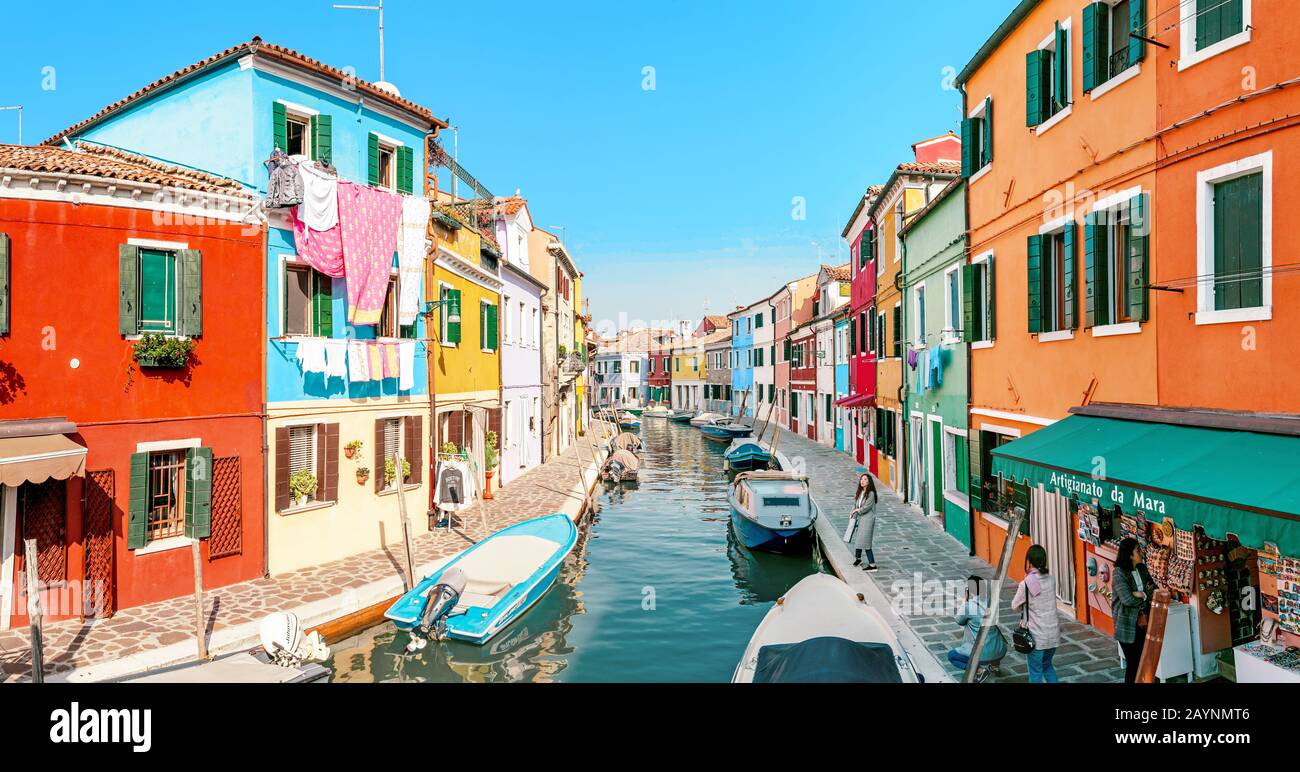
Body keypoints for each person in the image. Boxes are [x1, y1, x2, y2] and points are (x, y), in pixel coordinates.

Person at [1012, 545, 1061, 683]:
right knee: (1047, 666)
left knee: (1035, 673)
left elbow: (1014, 606)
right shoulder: (1051, 579)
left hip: (1036, 636)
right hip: (1053, 633)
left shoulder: (1025, 584)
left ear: (1029, 560)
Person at [1112, 537, 1155, 683]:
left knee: (1143, 662)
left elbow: (1153, 589)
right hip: (1126, 625)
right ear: (1130, 554)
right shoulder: (1119, 573)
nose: (1141, 553)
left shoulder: (1142, 569)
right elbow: (1127, 599)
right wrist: (1144, 596)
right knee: (1134, 664)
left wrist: (1140, 594)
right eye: (1138, 550)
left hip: (1143, 623)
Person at [947, 591, 1008, 680]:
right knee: (990, 635)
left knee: (952, 655)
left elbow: (959, 621)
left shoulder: (968, 606)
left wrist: (964, 603)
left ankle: (979, 670)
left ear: (970, 592)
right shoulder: (991, 602)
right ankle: (995, 666)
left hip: (982, 655)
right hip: (1000, 650)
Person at [847, 473, 878, 571]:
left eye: (864, 479)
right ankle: (858, 559)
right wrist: (852, 512)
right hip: (861, 519)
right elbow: (855, 504)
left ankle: (872, 565)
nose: (862, 481)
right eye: (861, 479)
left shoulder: (871, 493)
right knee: (859, 539)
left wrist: (857, 511)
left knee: (866, 542)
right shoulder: (860, 492)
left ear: (869, 481)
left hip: (868, 519)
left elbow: (866, 508)